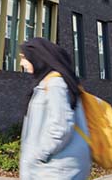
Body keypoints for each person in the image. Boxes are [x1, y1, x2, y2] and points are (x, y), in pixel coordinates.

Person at [19, 37, 91, 179]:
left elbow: (61, 126)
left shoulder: (55, 84)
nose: (22, 63)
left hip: (55, 170)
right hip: (52, 169)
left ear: (37, 57)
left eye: (24, 58)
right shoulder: (47, 83)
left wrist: (39, 154)